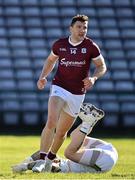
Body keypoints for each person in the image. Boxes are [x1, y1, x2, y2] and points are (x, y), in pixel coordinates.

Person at [32, 14, 107, 172]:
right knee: (51, 121)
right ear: (71, 28)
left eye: (85, 27)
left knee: (61, 133)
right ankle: (41, 158)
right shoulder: (60, 44)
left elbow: (102, 66)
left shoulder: (91, 46)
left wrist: (93, 78)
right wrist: (42, 77)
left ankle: (50, 159)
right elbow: (51, 60)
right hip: (59, 87)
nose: (82, 30)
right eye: (79, 27)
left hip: (77, 93)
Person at [12, 103, 118, 173]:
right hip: (106, 154)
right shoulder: (63, 165)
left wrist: (25, 166)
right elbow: (43, 157)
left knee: (69, 152)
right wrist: (25, 164)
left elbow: (46, 164)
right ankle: (90, 120)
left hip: (105, 155)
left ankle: (88, 122)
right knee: (74, 140)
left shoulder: (61, 166)